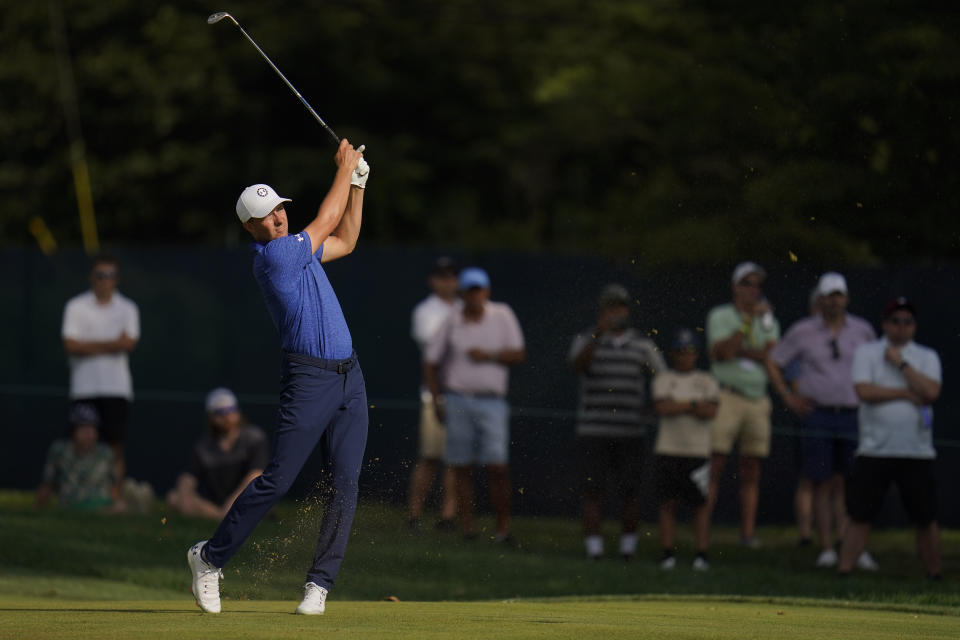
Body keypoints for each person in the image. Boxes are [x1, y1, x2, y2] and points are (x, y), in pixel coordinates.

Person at [186, 139, 370, 615]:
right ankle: (209, 558)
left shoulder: (299, 251)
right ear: (251, 226)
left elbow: (346, 239)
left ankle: (320, 585)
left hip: (350, 377)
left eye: (281, 210)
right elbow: (328, 221)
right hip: (310, 379)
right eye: (268, 216)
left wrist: (360, 185)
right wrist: (345, 170)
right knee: (278, 479)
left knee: (345, 483)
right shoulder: (275, 258)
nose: (279, 218)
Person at [767, 272, 878, 569]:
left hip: (853, 414)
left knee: (853, 484)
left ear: (846, 298)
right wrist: (787, 397)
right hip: (818, 414)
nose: (834, 301)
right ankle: (827, 547)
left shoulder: (863, 330)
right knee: (821, 482)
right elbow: (774, 361)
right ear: (820, 299)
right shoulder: (803, 331)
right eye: (829, 295)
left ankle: (854, 545)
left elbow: (876, 367)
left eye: (838, 295)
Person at [838, 298, 942, 579]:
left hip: (917, 451)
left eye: (907, 321)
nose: (901, 327)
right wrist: (907, 394)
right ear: (885, 324)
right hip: (875, 449)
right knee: (859, 514)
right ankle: (844, 572)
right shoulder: (867, 352)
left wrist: (902, 364)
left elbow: (931, 392)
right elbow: (864, 391)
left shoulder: (926, 356)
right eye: (895, 321)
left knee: (926, 517)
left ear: (914, 326)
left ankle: (934, 574)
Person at [423, 267, 526, 544]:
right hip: (458, 400)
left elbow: (518, 353)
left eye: (478, 290)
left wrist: (489, 355)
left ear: (486, 292)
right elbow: (431, 362)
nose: (474, 296)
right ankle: (468, 528)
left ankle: (502, 530)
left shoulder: (502, 315)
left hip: (492, 402)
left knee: (497, 468)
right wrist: (437, 399)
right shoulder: (451, 320)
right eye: (469, 291)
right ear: (463, 294)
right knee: (461, 467)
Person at [569, 284, 665, 560]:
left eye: (620, 307)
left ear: (627, 310)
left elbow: (662, 378)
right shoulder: (586, 338)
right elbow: (576, 365)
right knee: (592, 490)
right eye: (610, 307)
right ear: (602, 311)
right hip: (593, 430)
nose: (615, 313)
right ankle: (594, 551)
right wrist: (598, 334)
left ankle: (628, 550)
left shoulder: (642, 345)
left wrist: (651, 409)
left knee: (630, 492)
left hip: (630, 431)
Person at [705, 262, 780, 548]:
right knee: (716, 464)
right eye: (747, 283)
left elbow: (771, 355)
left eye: (757, 285)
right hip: (727, 395)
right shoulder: (720, 315)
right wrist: (747, 322)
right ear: (736, 286)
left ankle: (746, 535)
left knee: (751, 468)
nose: (753, 289)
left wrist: (741, 350)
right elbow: (723, 352)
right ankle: (705, 529)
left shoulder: (769, 319)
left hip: (757, 398)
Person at [61, 254, 140, 488]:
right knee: (80, 444)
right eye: (100, 275)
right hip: (83, 388)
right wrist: (111, 344)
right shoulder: (75, 306)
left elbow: (128, 344)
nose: (105, 280)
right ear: (92, 277)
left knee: (115, 444)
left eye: (110, 275)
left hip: (116, 389)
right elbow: (70, 346)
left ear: (116, 279)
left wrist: (88, 344)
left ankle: (114, 497)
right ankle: (77, 493)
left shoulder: (127, 308)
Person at [652, 328, 719, 571]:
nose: (685, 355)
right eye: (680, 351)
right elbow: (662, 407)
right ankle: (667, 554)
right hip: (668, 450)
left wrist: (678, 404)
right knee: (667, 503)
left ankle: (701, 554)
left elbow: (710, 411)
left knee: (699, 506)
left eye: (690, 350)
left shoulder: (706, 380)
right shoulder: (663, 378)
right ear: (673, 354)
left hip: (697, 451)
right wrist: (693, 403)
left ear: (696, 353)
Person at [407, 257, 460, 532]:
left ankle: (448, 516)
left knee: (455, 458)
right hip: (434, 393)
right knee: (429, 456)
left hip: (462, 392)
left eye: (452, 276)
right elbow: (435, 349)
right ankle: (415, 515)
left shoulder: (465, 309)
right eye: (442, 276)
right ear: (433, 280)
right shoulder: (425, 311)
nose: (448, 281)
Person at [167, 388, 269, 520]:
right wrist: (184, 493)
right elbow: (187, 478)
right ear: (211, 417)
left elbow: (255, 475)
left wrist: (233, 504)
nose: (227, 416)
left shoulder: (254, 438)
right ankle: (220, 517)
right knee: (174, 497)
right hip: (216, 505)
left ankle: (224, 516)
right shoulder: (203, 447)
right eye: (220, 412)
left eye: (231, 410)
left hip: (246, 500)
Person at [36, 403, 116, 510]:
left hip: (101, 506)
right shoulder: (59, 451)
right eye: (84, 429)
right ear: (73, 431)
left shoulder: (106, 453)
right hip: (71, 504)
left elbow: (113, 487)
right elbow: (47, 483)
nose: (89, 435)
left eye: (93, 429)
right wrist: (39, 507)